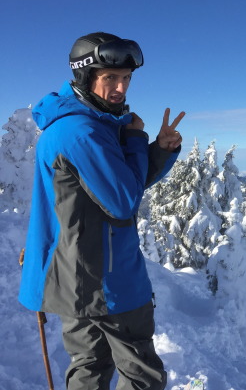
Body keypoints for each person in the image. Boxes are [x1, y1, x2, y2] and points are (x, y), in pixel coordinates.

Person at [19, 32, 185, 390]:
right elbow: (123, 200)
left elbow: (112, 185)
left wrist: (158, 151)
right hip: (107, 281)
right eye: (110, 77)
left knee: (90, 367)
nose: (121, 88)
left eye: (126, 78)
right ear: (84, 76)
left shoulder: (85, 124)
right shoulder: (82, 132)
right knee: (142, 375)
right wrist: (137, 140)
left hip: (77, 278)